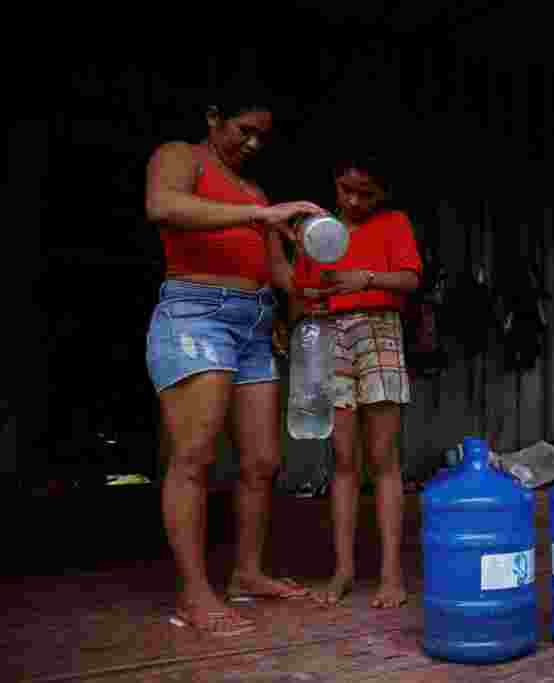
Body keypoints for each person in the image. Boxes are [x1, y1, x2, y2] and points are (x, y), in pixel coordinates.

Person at [144, 86, 329, 636]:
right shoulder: (182, 157)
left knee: (262, 461)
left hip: (253, 321)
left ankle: (246, 573)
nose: (252, 142)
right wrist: (261, 212)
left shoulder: (255, 192)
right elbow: (163, 205)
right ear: (212, 117)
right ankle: (193, 593)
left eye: (260, 135)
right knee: (195, 456)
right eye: (243, 129)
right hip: (196, 313)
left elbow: (279, 275)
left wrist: (316, 264)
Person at [286, 152, 422, 609]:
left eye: (366, 192)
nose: (355, 199)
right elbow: (300, 291)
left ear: (382, 193)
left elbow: (408, 280)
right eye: (346, 188)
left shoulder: (394, 223)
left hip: (379, 330)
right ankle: (343, 569)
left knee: (383, 458)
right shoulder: (316, 233)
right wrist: (308, 307)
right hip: (329, 336)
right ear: (334, 184)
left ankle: (389, 574)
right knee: (343, 459)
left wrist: (362, 278)